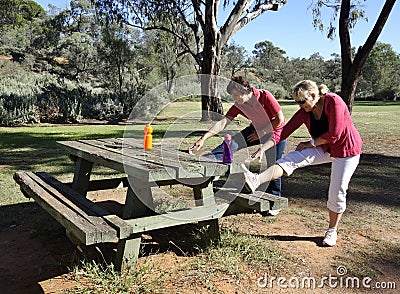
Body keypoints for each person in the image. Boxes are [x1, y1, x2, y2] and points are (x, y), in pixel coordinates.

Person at [242, 80, 362, 246]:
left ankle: (332, 230)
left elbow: (335, 134)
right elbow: (282, 132)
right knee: (292, 159)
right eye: (296, 102)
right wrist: (263, 148)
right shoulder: (305, 112)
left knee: (337, 191)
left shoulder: (334, 101)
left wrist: (310, 143)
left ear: (313, 95)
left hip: (346, 151)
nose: (299, 105)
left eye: (301, 101)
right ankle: (256, 180)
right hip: (325, 147)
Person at [189, 76, 287, 199]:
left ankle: (274, 199)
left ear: (245, 90)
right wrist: (204, 138)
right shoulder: (239, 104)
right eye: (232, 96)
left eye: (235, 95)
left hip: (276, 131)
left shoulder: (265, 96)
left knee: (273, 164)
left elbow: (280, 119)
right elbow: (223, 122)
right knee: (232, 143)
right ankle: (205, 161)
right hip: (256, 129)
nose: (234, 99)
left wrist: (261, 133)